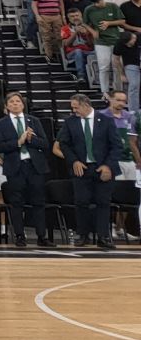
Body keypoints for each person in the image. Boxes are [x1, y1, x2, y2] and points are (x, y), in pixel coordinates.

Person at [0, 92, 51, 247]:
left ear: (23, 104)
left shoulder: (34, 120)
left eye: (18, 101)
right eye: (11, 102)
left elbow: (45, 144)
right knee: (16, 203)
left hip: (34, 167)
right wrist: (18, 142)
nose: (15, 104)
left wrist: (31, 139)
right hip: (15, 167)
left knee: (39, 202)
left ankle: (42, 236)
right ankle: (20, 236)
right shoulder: (1, 124)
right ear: (6, 106)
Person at [56, 92, 118, 250]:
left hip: (102, 168)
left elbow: (116, 146)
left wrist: (108, 166)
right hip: (81, 169)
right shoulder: (71, 122)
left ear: (85, 105)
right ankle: (83, 235)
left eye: (76, 108)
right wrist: (74, 161)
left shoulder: (106, 120)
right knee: (81, 202)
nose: (74, 111)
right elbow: (63, 144)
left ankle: (103, 236)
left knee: (103, 203)